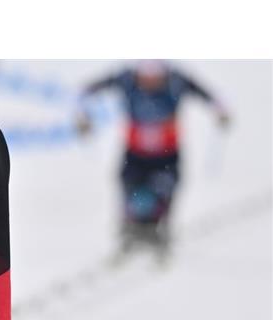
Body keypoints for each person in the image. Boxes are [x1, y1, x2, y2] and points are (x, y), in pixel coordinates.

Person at [76, 60, 230, 260]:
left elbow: (211, 97)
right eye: (145, 78)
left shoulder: (177, 82)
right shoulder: (126, 80)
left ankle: (160, 231)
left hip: (167, 154)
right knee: (129, 188)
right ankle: (129, 231)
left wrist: (221, 112)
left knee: (164, 190)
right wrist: (83, 117)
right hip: (135, 153)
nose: (149, 82)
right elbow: (85, 91)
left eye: (154, 78)